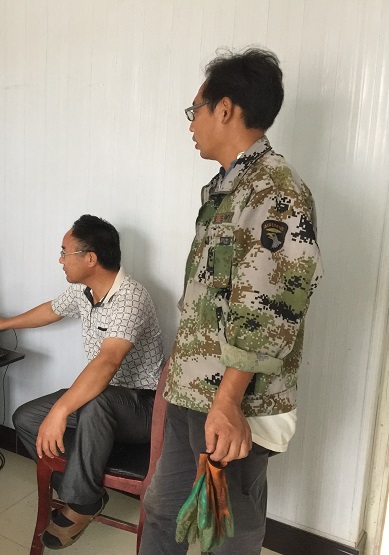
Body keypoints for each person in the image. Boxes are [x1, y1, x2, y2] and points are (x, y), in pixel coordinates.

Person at [139, 48, 323, 554]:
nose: (190, 123)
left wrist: (227, 401)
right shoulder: (225, 189)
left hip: (231, 402)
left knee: (227, 529)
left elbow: (269, 308)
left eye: (194, 110)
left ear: (224, 109)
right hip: (193, 391)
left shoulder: (274, 192)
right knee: (163, 511)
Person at [0, 214, 164, 550]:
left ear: (90, 258)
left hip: (142, 406)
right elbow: (52, 310)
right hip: (102, 400)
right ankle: (84, 492)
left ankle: (82, 504)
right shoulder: (85, 290)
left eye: (65, 252)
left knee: (95, 403)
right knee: (27, 418)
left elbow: (108, 362)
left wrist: (61, 411)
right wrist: (4, 323)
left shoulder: (131, 297)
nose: (60, 260)